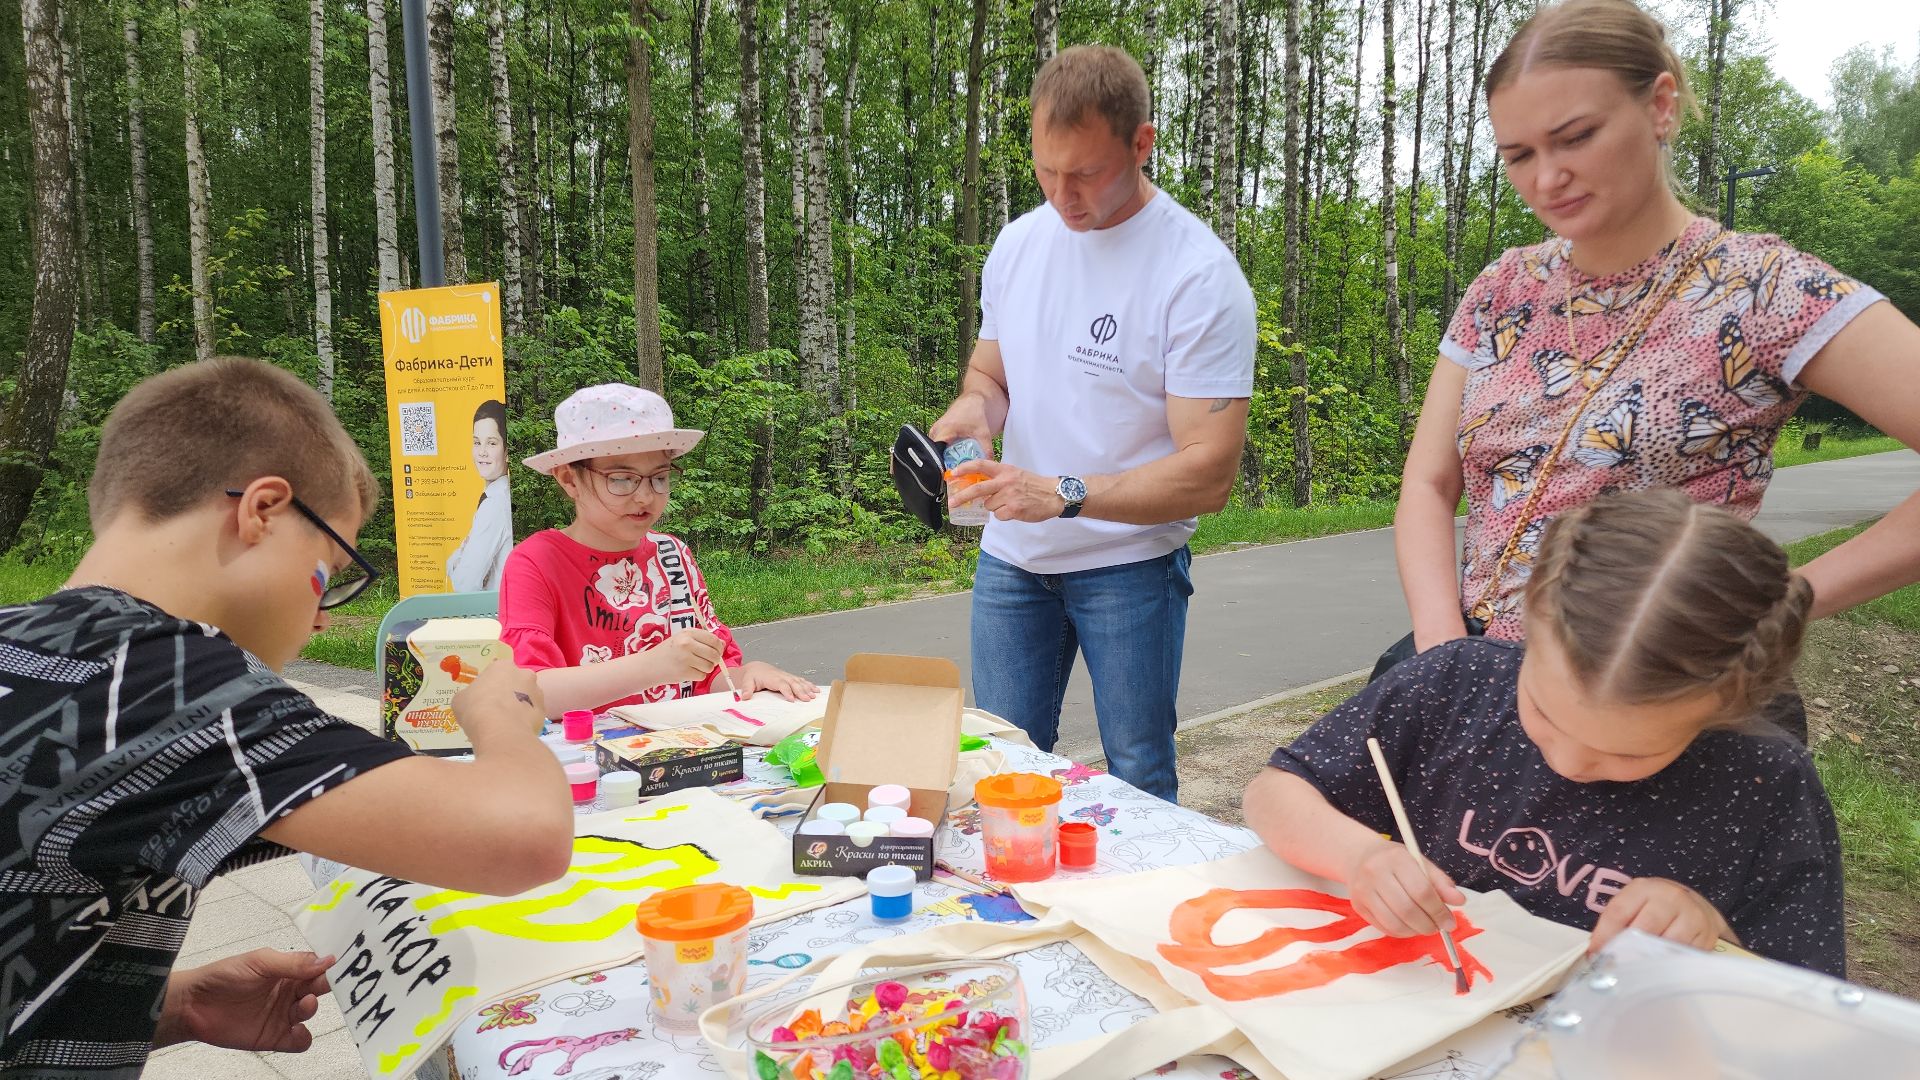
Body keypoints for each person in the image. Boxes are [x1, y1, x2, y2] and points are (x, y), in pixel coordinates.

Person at [0, 358, 574, 1077]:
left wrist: (170, 1006)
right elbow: (524, 838)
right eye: (328, 575)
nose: (316, 624)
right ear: (261, 510)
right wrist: (502, 713)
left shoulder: (25, 645)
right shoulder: (164, 677)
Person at [1392, 0, 1920, 686]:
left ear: (1661, 106)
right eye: (1518, 155)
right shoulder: (1502, 289)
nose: (1546, 178)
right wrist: (1442, 651)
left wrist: (1776, 607)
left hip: (1653, 701)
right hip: (1476, 674)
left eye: (1576, 136)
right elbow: (1430, 485)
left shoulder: (1764, 290)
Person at [1248, 490, 1843, 975]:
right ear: (1529, 618)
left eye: (1626, 752)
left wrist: (1707, 930)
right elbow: (1274, 793)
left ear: (1728, 705)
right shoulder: (1457, 683)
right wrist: (1357, 858)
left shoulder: (1761, 782)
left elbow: (1799, 992)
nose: (1568, 761)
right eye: (1545, 714)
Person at [932, 45, 1255, 802]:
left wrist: (1063, 493)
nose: (1063, 196)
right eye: (1047, 170)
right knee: (1003, 771)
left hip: (1130, 564)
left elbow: (1209, 472)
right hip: (1013, 561)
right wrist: (974, 411)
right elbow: (992, 374)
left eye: (1086, 173)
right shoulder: (1019, 244)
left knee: (1137, 776)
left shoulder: (1197, 276)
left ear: (1142, 143)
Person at [498, 384, 817, 715]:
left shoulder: (672, 554)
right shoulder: (535, 562)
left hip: (679, 747)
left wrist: (746, 675)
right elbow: (529, 692)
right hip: (587, 757)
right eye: (622, 479)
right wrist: (653, 666)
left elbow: (709, 676)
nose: (645, 497)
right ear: (569, 479)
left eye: (659, 478)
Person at [446, 398, 513, 592]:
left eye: (491, 443)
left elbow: (465, 584)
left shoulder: (495, 505)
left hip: (491, 616)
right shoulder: (498, 498)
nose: (482, 452)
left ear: (507, 451)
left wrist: (457, 560)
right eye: (477, 442)